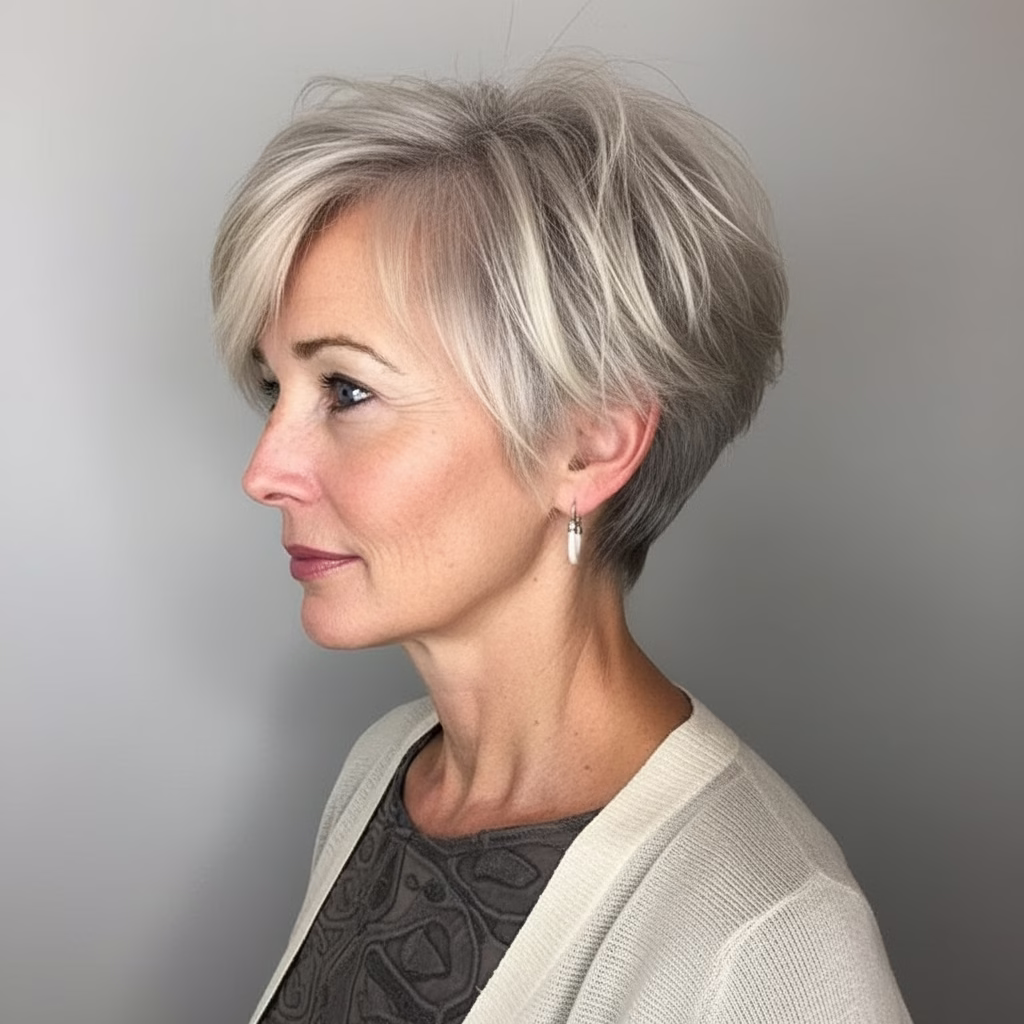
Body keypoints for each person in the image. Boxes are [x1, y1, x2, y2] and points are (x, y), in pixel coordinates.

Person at [211, 57, 911, 1024]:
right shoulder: (385, 772)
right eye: (273, 389)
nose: (264, 471)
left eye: (347, 390)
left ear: (588, 445)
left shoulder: (768, 939)